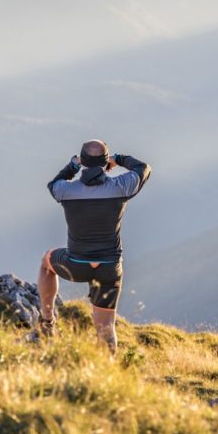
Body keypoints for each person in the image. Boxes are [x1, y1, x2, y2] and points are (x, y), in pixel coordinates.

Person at [37, 140, 151, 352]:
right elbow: (143, 168)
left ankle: (47, 322)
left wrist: (73, 165)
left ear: (83, 161)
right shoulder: (120, 187)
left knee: (46, 262)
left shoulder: (66, 190)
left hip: (76, 264)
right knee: (106, 328)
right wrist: (118, 159)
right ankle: (109, 376)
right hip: (109, 267)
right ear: (105, 162)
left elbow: (53, 183)